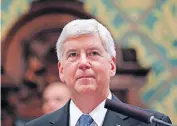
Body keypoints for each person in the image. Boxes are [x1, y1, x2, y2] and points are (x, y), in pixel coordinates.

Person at [25, 19, 172, 126]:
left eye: (93, 53)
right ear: (61, 70)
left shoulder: (152, 124)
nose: (83, 63)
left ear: (112, 65)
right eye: (73, 55)